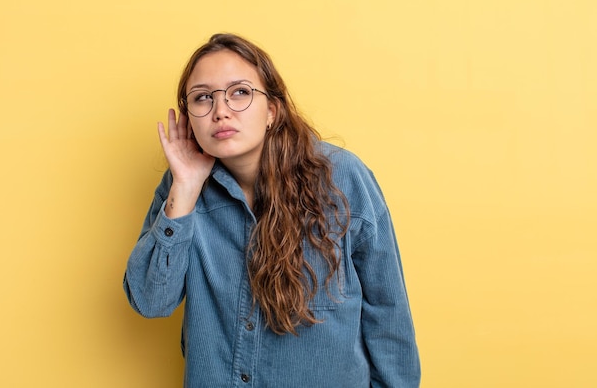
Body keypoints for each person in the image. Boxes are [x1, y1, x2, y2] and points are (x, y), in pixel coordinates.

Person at [123, 33, 421, 387]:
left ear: (272, 111)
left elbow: (388, 314)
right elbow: (150, 301)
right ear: (189, 118)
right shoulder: (181, 188)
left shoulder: (342, 179)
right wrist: (185, 189)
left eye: (240, 92)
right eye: (203, 98)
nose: (220, 111)